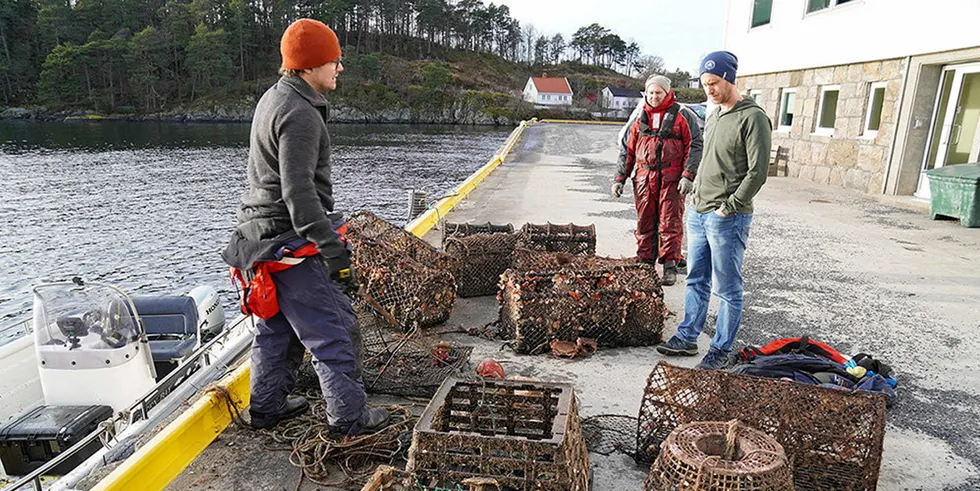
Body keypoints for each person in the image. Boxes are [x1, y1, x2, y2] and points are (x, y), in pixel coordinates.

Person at [221, 18, 389, 437]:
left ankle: (268, 408)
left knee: (276, 329)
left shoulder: (273, 99)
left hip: (257, 240)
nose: (340, 68)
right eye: (334, 60)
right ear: (311, 65)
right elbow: (299, 194)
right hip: (291, 242)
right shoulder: (300, 113)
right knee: (334, 333)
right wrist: (334, 252)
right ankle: (349, 421)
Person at [656, 51, 772, 370]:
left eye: (714, 83)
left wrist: (728, 208)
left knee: (727, 287)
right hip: (699, 209)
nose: (709, 89)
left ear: (729, 78)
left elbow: (757, 172)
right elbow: (707, 156)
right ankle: (688, 335)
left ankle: (721, 348)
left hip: (727, 216)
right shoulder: (716, 113)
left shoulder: (753, 117)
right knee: (696, 278)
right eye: (705, 83)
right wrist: (693, 189)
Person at [612, 75, 702, 286]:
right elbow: (627, 150)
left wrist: (688, 175)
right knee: (645, 221)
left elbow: (695, 145)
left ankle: (670, 264)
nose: (654, 96)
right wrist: (619, 178)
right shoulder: (638, 117)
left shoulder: (682, 115)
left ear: (667, 93)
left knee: (670, 222)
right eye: (651, 93)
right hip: (644, 179)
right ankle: (645, 260)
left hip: (672, 180)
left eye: (658, 93)